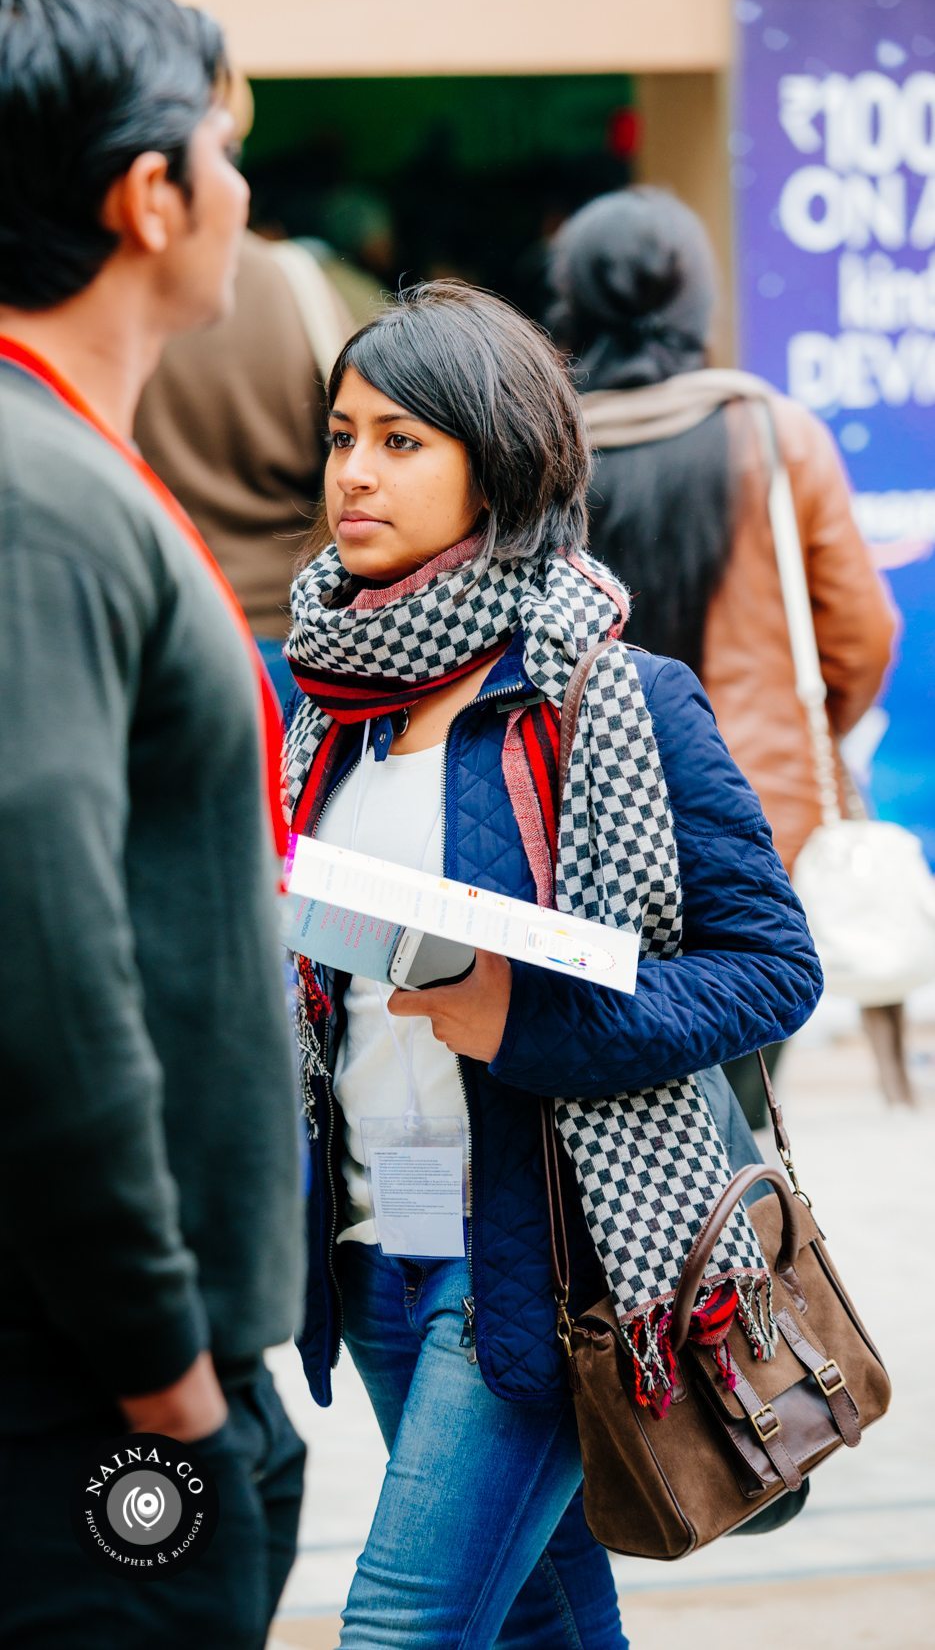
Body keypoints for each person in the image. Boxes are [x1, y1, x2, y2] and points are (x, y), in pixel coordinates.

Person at [283, 281, 823, 1647]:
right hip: (370, 1248)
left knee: (399, 1624)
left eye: (400, 440)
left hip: (535, 1254)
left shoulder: (615, 695)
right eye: (341, 433)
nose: (352, 470)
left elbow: (768, 968)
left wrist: (522, 1019)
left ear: (500, 457)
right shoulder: (328, 702)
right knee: (540, 1621)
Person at [0, 0, 304, 1645]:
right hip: (96, 1390)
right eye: (229, 151)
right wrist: (166, 1368)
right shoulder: (29, 494)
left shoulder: (61, 462)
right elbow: (42, 956)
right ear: (148, 195)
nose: (248, 196)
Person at [548, 186, 898, 1118]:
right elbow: (860, 638)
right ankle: (722, 1260)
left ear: (569, 298)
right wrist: (802, 736)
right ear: (696, 303)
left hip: (572, 828)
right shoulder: (777, 436)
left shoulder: (544, 450)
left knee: (595, 1113)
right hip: (756, 826)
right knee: (737, 1118)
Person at [136, 221, 353, 708]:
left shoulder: (112, 288)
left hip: (157, 630)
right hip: (290, 632)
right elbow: (357, 435)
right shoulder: (295, 284)